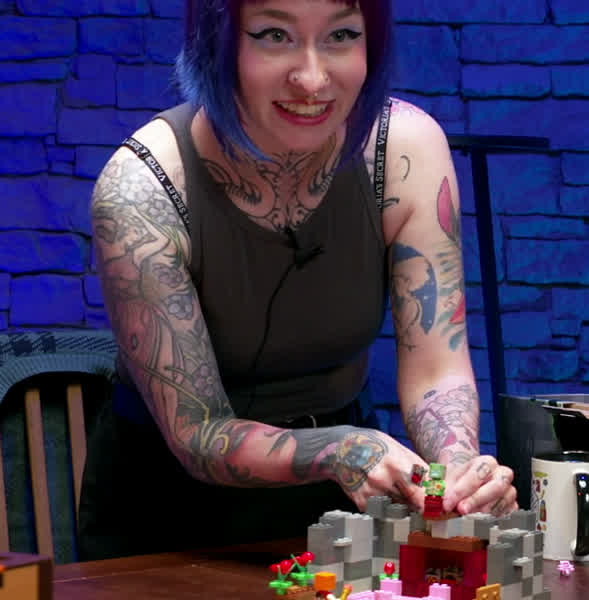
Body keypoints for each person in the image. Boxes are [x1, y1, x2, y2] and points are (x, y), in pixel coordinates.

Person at [78, 0, 517, 560]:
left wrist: (457, 472)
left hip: (341, 503)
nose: (312, 79)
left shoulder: (404, 149)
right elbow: (198, 432)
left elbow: (437, 368)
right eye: (273, 35)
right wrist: (340, 449)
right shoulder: (141, 189)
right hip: (168, 515)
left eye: (342, 35)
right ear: (216, 44)